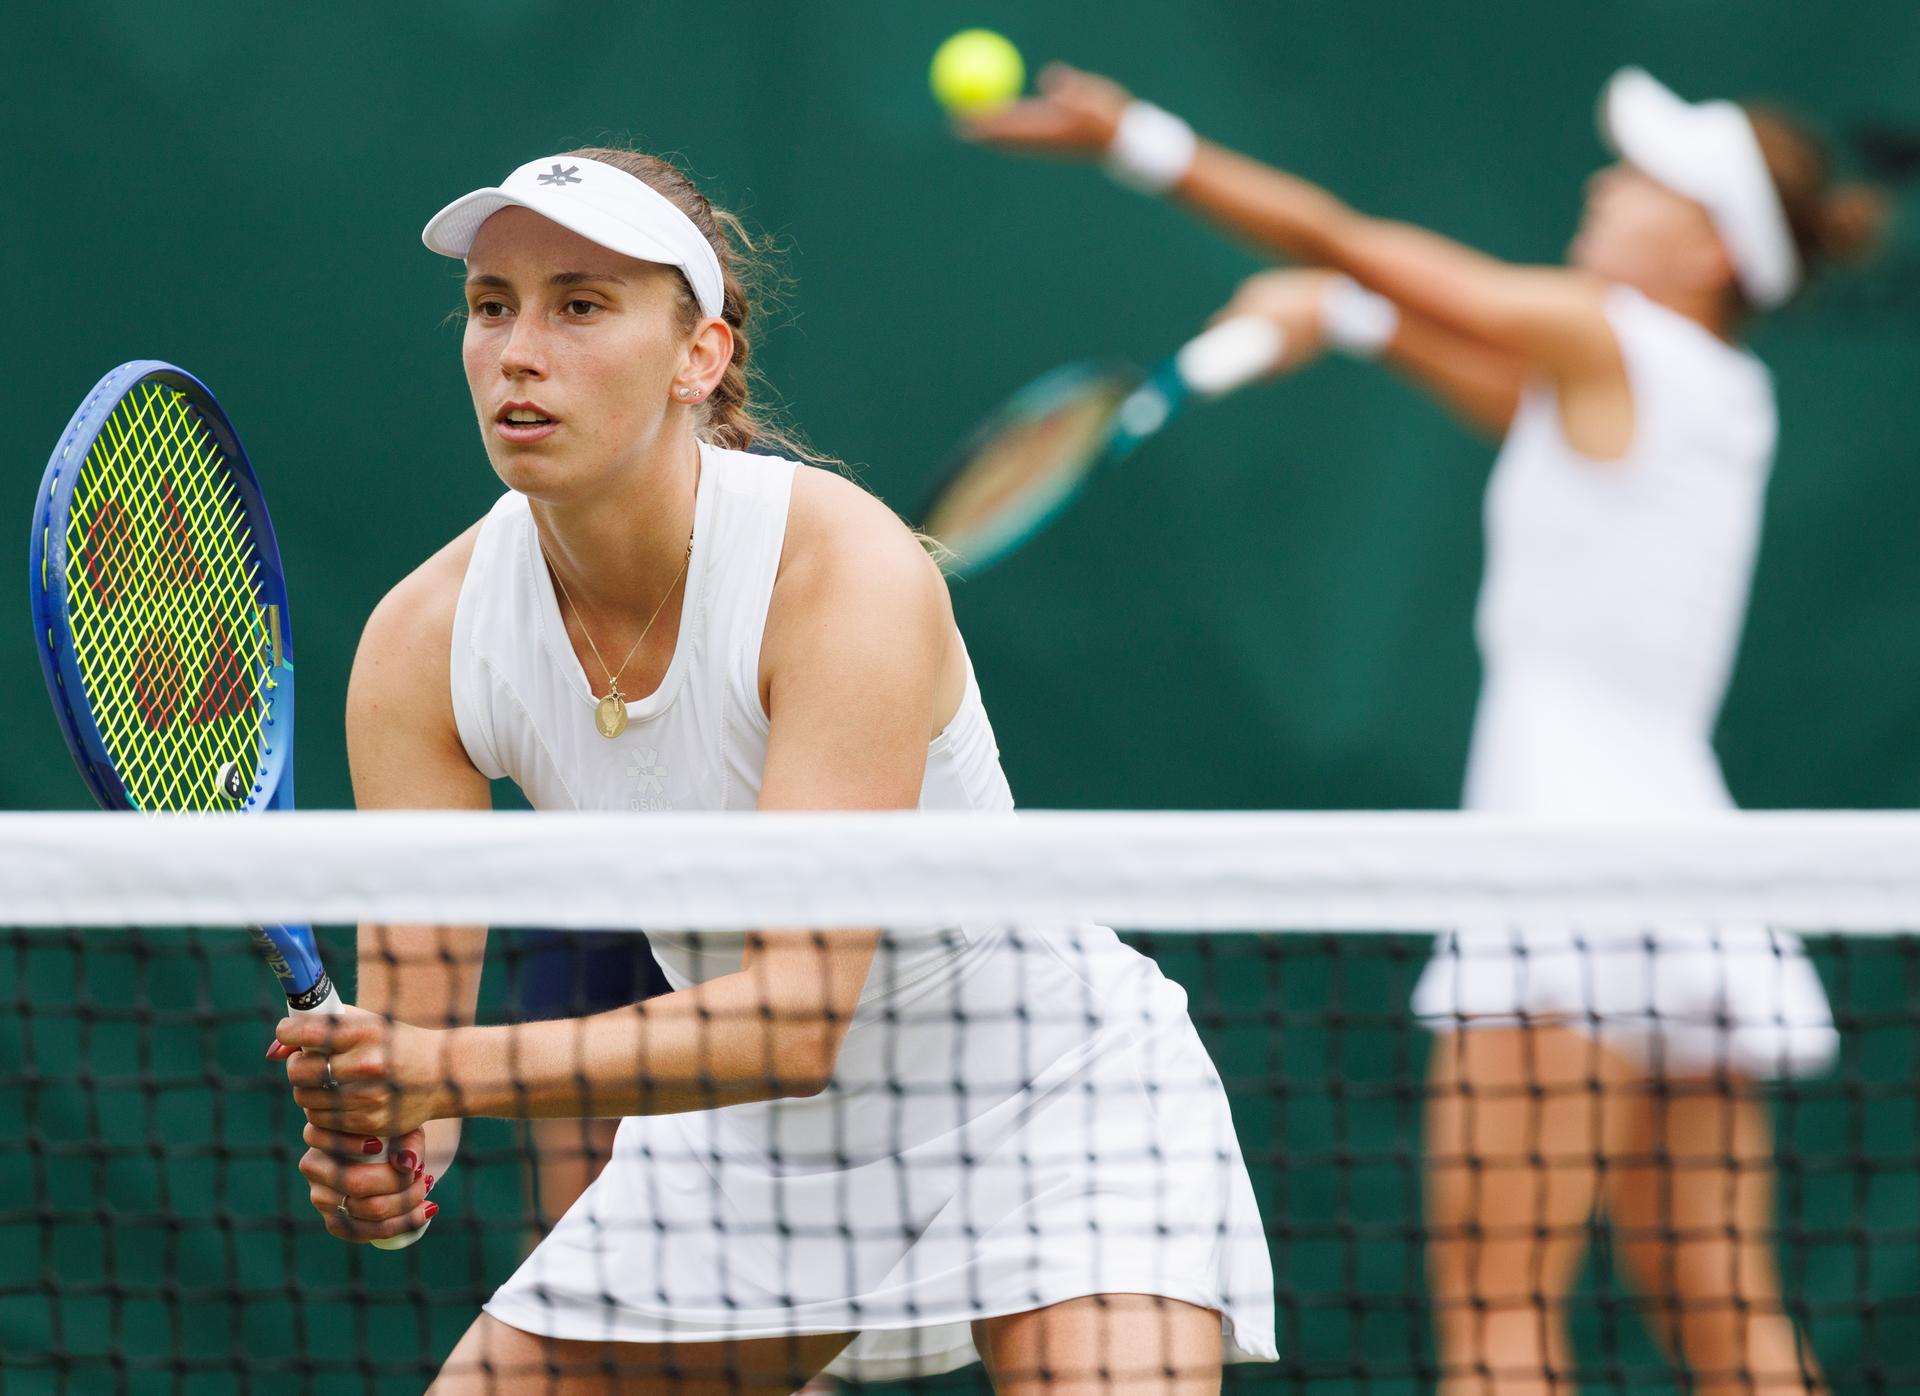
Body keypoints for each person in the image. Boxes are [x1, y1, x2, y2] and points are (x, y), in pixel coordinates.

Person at [267, 146, 1278, 1395]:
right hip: (742, 1148)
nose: (519, 351)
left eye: (581, 305)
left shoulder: (838, 569)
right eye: (492, 307)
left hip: (1050, 1106)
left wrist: (443, 1072)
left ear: (701, 356)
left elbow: (798, 1014)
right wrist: (395, 1146)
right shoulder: (424, 643)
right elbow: (422, 1049)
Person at [964, 64, 1886, 1396]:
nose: (1603, 187)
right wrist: (1339, 320)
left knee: (1498, 1318)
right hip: (1688, 869)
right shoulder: (1704, 389)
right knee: (1724, 1314)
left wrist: (1143, 142)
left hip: (1567, 863)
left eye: (1643, 182)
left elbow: (1364, 246)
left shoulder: (1609, 337)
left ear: (1702, 247)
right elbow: (1471, 372)